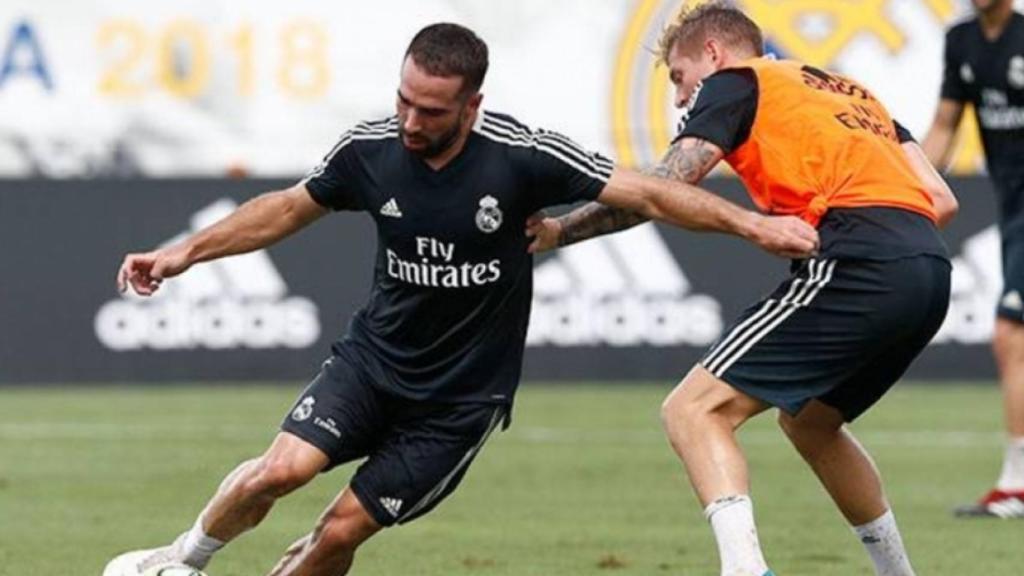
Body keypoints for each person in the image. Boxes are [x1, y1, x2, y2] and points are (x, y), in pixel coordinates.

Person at [104, 22, 819, 576]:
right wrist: (182, 254)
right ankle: (180, 559)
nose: (412, 122)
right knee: (279, 470)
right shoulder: (370, 149)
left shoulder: (522, 155)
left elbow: (651, 191)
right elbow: (286, 209)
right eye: (404, 101)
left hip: (458, 406)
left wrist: (751, 223)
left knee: (339, 533)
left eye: (432, 111)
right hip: (371, 366)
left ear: (472, 105)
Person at [528, 4, 957, 576]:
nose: (682, 100)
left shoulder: (736, 82)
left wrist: (560, 230)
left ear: (712, 54)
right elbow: (942, 199)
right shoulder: (852, 93)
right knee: (811, 424)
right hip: (928, 265)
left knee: (691, 411)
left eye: (679, 80)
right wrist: (894, 242)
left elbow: (665, 187)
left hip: (861, 259)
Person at [922, 0, 1024, 519]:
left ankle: (1018, 485)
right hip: (1012, 207)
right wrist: (910, 184)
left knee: (1011, 334)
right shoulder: (961, 41)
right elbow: (944, 124)